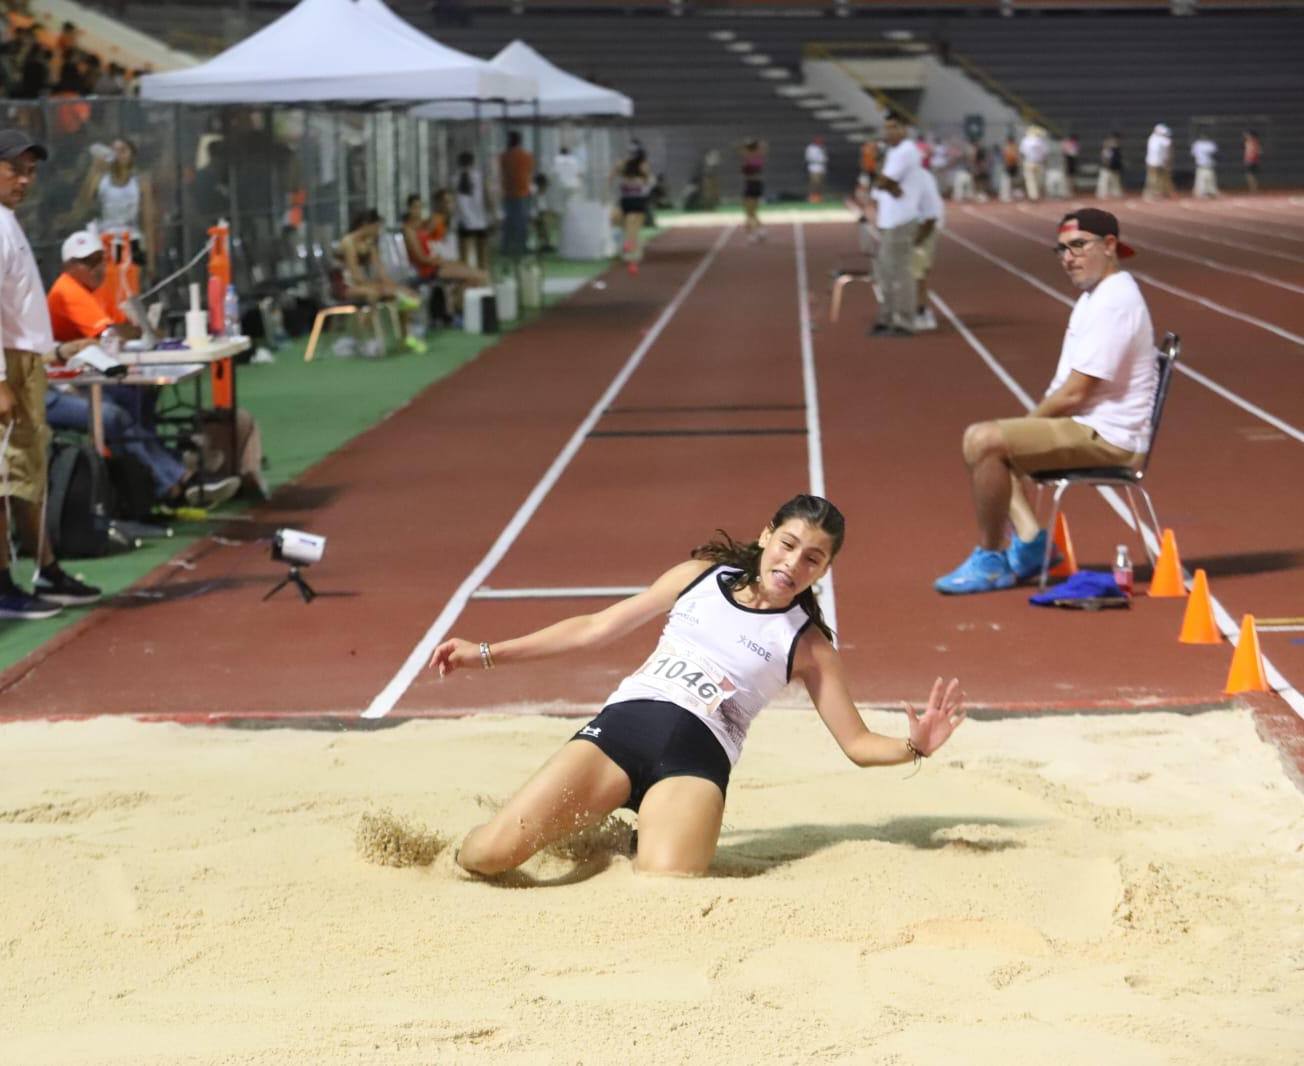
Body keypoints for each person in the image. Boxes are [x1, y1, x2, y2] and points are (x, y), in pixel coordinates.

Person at [429, 494, 968, 879]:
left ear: (823, 569)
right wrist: (486, 653)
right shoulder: (701, 576)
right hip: (619, 734)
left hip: (694, 766)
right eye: (787, 544)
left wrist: (914, 745)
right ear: (766, 537)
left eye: (813, 557)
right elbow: (597, 626)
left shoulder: (808, 647)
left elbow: (856, 743)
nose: (793, 562)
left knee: (667, 882)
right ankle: (457, 853)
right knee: (491, 856)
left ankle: (644, 831)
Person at [936, 209, 1158, 594]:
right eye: (1061, 250)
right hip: (1091, 427)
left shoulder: (1114, 301)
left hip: (1109, 437)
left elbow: (1075, 393)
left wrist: (1026, 428)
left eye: (1078, 246)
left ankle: (991, 559)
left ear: (1109, 246)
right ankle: (1031, 543)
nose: (1068, 258)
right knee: (991, 443)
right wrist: (1024, 430)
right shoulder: (1097, 297)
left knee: (983, 441)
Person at [0, 128, 100, 620]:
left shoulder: (0, 220)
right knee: (0, 478)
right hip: (5, 366)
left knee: (25, 473)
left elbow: (11, 305)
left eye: (31, 171)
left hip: (20, 362)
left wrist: (50, 349)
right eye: (14, 169)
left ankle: (46, 568)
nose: (24, 180)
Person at [45, 229, 240, 508]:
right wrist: (134, 331)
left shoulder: (94, 290)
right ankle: (172, 481)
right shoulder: (67, 290)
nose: (97, 267)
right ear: (69, 267)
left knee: (141, 398)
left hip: (90, 379)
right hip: (68, 386)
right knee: (117, 416)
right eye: (87, 262)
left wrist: (137, 330)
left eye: (99, 259)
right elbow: (113, 333)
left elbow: (124, 329)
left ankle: (170, 468)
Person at [338, 209, 424, 355]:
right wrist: (381, 287)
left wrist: (395, 288)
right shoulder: (348, 242)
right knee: (375, 293)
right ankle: (357, 338)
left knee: (402, 294)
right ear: (366, 224)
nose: (378, 230)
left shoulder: (369, 244)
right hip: (344, 286)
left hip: (364, 284)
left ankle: (405, 336)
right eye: (376, 226)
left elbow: (381, 273)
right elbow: (355, 276)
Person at [868, 111, 922, 338]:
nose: (889, 132)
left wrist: (881, 177)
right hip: (889, 218)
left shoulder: (906, 151)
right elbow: (883, 184)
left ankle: (904, 320)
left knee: (900, 271)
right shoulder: (893, 151)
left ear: (905, 129)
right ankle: (888, 316)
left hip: (901, 219)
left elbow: (885, 182)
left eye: (894, 127)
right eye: (887, 127)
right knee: (885, 272)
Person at [81, 136, 159, 275]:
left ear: (132, 155)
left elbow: (148, 221)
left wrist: (151, 263)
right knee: (111, 281)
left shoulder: (141, 181)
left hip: (132, 239)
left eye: (123, 150)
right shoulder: (101, 178)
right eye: (114, 151)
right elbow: (84, 202)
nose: (118, 155)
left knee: (132, 283)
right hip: (107, 239)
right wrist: (94, 169)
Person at [401, 193, 487, 291]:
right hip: (427, 270)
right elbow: (420, 258)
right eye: (415, 207)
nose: (418, 211)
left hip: (435, 264)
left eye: (420, 208)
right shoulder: (408, 230)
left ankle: (458, 303)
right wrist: (441, 261)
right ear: (409, 208)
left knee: (474, 274)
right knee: (479, 275)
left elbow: (436, 231)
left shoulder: (422, 225)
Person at [907, 163, 944, 333]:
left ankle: (922, 311)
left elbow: (931, 214)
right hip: (915, 227)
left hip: (923, 227)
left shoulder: (920, 179)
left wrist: (918, 239)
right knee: (915, 272)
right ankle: (917, 308)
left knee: (917, 273)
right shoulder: (900, 176)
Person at [613, 149, 651, 276]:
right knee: (627, 225)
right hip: (630, 200)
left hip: (634, 201)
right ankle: (632, 250)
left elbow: (647, 181)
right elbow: (612, 174)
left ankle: (632, 254)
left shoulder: (639, 167)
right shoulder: (626, 167)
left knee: (631, 228)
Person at [498, 131, 534, 259]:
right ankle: (521, 246)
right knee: (521, 222)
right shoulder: (525, 156)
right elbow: (529, 171)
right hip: (522, 192)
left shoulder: (503, 156)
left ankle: (507, 246)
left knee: (509, 221)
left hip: (508, 193)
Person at [453, 150, 490, 274]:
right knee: (482, 256)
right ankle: (483, 278)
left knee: (464, 257)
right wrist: (492, 214)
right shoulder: (479, 177)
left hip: (463, 220)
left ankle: (466, 281)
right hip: (480, 220)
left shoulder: (455, 178)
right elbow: (487, 197)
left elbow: (453, 200)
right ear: (473, 162)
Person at [738, 138, 767, 243]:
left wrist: (746, 144)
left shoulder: (748, 156)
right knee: (752, 211)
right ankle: (761, 229)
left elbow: (738, 148)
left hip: (751, 185)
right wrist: (754, 144)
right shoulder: (759, 155)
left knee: (748, 212)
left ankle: (752, 235)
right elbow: (763, 145)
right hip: (757, 184)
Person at [1019, 126, 1049, 202]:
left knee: (1030, 180)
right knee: (1038, 180)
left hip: (1029, 162)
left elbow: (1022, 153)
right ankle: (1036, 194)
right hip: (1039, 162)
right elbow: (1045, 153)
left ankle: (1033, 196)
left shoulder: (1025, 140)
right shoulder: (1041, 141)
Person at [1144, 123, 1173, 201]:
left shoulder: (1151, 138)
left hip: (1152, 162)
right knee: (1157, 180)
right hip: (1158, 163)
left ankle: (1151, 194)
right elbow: (1167, 152)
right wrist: (1168, 162)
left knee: (1153, 179)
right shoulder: (1163, 140)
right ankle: (1156, 195)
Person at [1097, 132, 1124, 200]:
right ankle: (1102, 194)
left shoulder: (1116, 148)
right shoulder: (1107, 147)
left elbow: (1117, 158)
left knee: (1115, 181)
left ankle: (1116, 193)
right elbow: (1104, 158)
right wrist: (1107, 165)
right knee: (1104, 181)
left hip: (1114, 167)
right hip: (1106, 168)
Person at [1191, 133, 1219, 199]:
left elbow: (1215, 154)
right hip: (1202, 164)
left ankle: (1210, 192)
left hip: (1208, 164)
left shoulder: (1206, 144)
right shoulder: (1198, 144)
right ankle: (1201, 193)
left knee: (1209, 179)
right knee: (1202, 180)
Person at [805, 135, 827, 202]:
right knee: (814, 183)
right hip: (814, 168)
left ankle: (819, 197)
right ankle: (812, 197)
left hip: (821, 168)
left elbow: (825, 158)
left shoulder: (823, 148)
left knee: (820, 183)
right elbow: (808, 158)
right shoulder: (810, 148)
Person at [999, 134, 1019, 203]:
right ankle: (1005, 196)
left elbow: (1015, 157)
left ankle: (1010, 195)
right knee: (1007, 181)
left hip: (1012, 166)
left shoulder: (1013, 147)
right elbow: (1010, 157)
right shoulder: (1008, 147)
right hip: (1009, 166)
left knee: (1011, 181)